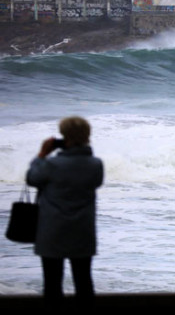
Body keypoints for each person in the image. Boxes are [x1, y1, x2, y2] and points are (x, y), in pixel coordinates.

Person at [26, 116, 104, 314]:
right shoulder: (96, 164)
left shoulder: (52, 165)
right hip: (82, 230)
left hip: (53, 230)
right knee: (83, 281)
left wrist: (42, 154)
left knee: (52, 283)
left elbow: (32, 178)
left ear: (65, 138)